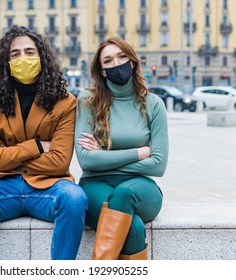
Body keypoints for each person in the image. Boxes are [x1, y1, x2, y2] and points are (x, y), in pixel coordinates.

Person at [0, 25, 88, 260]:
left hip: (48, 187)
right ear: (5, 62)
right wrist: (36, 147)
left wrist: (6, 157)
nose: (23, 59)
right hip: (2, 187)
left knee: (75, 198)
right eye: (15, 54)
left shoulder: (65, 102)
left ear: (42, 57)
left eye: (29, 52)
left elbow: (59, 162)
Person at [75, 36, 168, 260]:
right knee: (134, 229)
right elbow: (86, 160)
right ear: (102, 70)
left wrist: (104, 156)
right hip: (94, 184)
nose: (116, 64)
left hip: (141, 188)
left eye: (122, 56)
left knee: (126, 193)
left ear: (133, 61)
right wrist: (139, 152)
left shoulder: (153, 104)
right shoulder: (88, 100)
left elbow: (158, 165)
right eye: (108, 61)